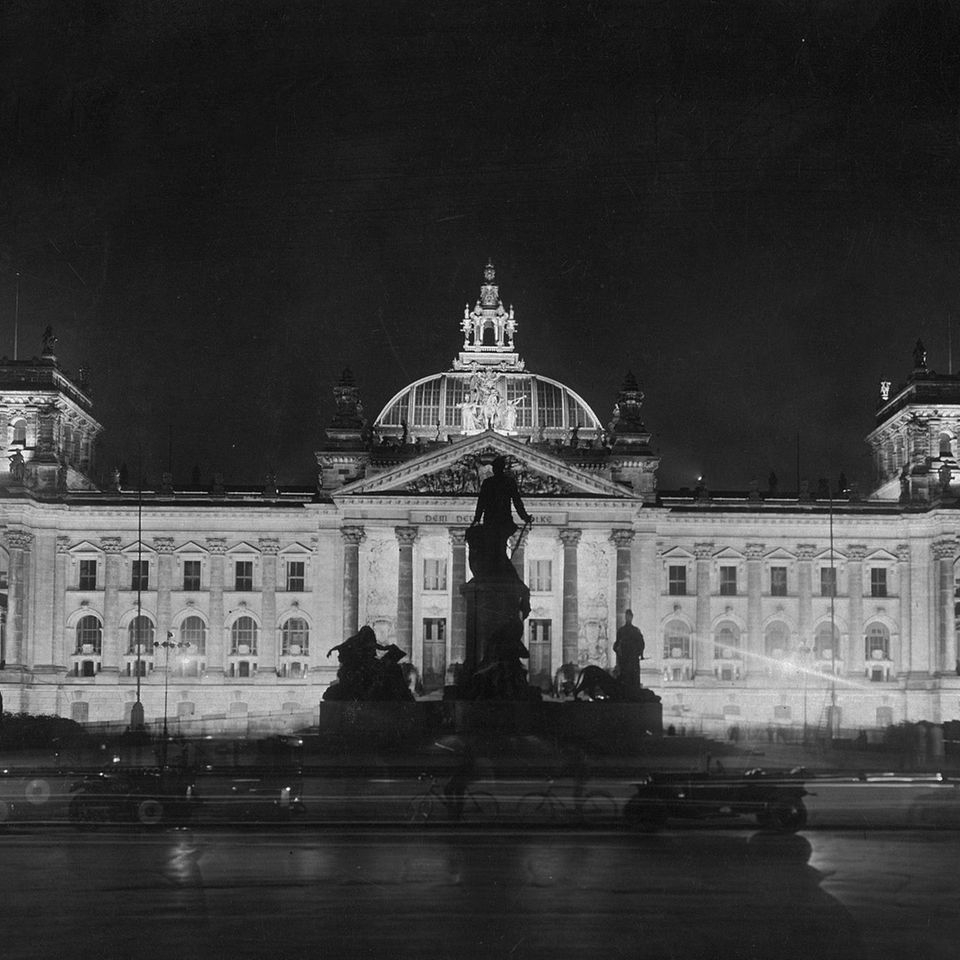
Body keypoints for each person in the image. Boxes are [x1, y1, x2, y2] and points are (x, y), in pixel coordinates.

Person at [613, 608, 645, 695]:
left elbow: (641, 643)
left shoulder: (635, 630)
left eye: (629, 616)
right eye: (627, 616)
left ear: (632, 617)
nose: (628, 618)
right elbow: (616, 644)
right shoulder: (622, 631)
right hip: (625, 658)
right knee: (626, 676)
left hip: (631, 658)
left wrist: (640, 654)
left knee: (632, 677)